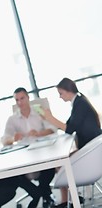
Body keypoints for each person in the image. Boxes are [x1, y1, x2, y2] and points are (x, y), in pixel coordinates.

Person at [42, 77, 102, 208]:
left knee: (60, 162)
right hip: (90, 149)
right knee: (59, 163)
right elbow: (69, 125)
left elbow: (70, 129)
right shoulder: (78, 102)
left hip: (90, 152)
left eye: (61, 93)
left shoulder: (80, 103)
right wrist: (49, 118)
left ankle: (67, 200)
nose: (60, 97)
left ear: (68, 90)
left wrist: (50, 118)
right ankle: (69, 199)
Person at [2, 87, 58, 208]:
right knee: (16, 174)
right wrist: (13, 138)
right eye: (17, 100)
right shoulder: (12, 119)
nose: (20, 102)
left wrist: (39, 133)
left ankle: (41, 196)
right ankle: (46, 196)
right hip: (24, 159)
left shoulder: (39, 112)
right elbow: (4, 140)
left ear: (28, 98)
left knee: (49, 168)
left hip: (43, 154)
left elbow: (53, 129)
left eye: (22, 98)